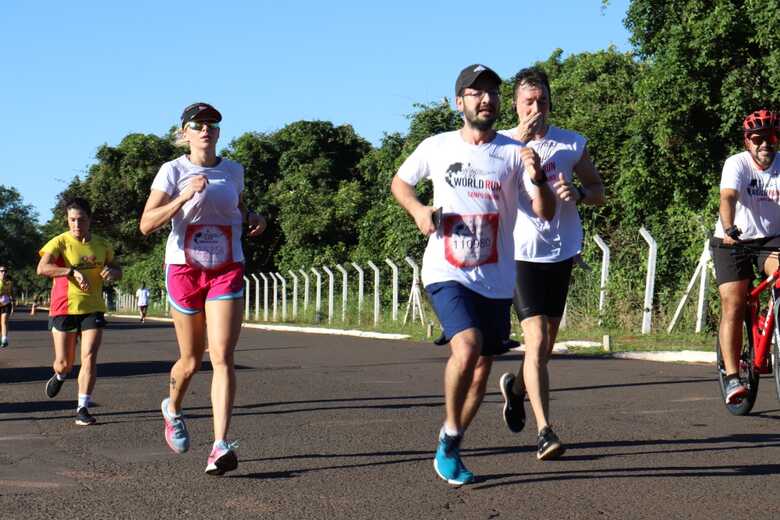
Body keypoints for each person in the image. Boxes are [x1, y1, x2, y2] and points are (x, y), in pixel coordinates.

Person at [391, 64, 555, 485]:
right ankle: (449, 430)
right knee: (467, 346)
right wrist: (419, 211)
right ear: (458, 101)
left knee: (482, 369)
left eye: (493, 93)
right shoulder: (437, 146)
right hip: (446, 268)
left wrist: (538, 178)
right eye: (476, 92)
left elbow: (544, 212)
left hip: (496, 277)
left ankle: (452, 439)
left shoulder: (511, 154)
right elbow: (401, 184)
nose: (486, 99)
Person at [139, 102, 267, 476]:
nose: (205, 129)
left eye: (212, 123)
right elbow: (146, 224)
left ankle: (219, 445)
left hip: (226, 267)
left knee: (222, 356)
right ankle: (173, 408)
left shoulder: (233, 171)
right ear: (184, 133)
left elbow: (241, 210)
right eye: (197, 124)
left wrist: (255, 218)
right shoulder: (172, 171)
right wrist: (182, 197)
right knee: (192, 360)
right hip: (184, 268)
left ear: (218, 132)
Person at [496, 67, 605, 460]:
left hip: (561, 253)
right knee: (536, 338)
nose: (536, 108)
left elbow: (598, 191)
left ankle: (516, 390)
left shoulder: (571, 144)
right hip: (519, 254)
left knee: (542, 351)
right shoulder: (500, 145)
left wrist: (577, 190)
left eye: (542, 101)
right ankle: (545, 432)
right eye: (528, 102)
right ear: (516, 105)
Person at [711, 109, 780, 403]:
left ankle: (771, 322)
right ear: (748, 141)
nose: (765, 143)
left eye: (772, 137)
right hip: (733, 240)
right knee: (734, 303)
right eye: (758, 138)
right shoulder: (736, 163)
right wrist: (729, 227)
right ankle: (731, 376)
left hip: (771, 239)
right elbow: (727, 197)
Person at [37, 197, 122, 425]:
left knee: (89, 358)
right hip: (63, 307)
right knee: (65, 362)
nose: (75, 225)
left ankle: (82, 408)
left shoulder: (102, 244)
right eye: (71, 220)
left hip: (92, 307)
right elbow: (42, 268)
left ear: (89, 219)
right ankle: (60, 375)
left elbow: (116, 269)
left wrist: (113, 272)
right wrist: (70, 272)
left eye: (80, 220)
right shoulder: (59, 242)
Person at [0, 266, 15, 348]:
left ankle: (4, 339)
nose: (3, 272)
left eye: (5, 271)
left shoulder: (9, 282)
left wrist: (13, 304)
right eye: (1, 271)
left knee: (4, 321)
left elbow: (12, 293)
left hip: (6, 304)